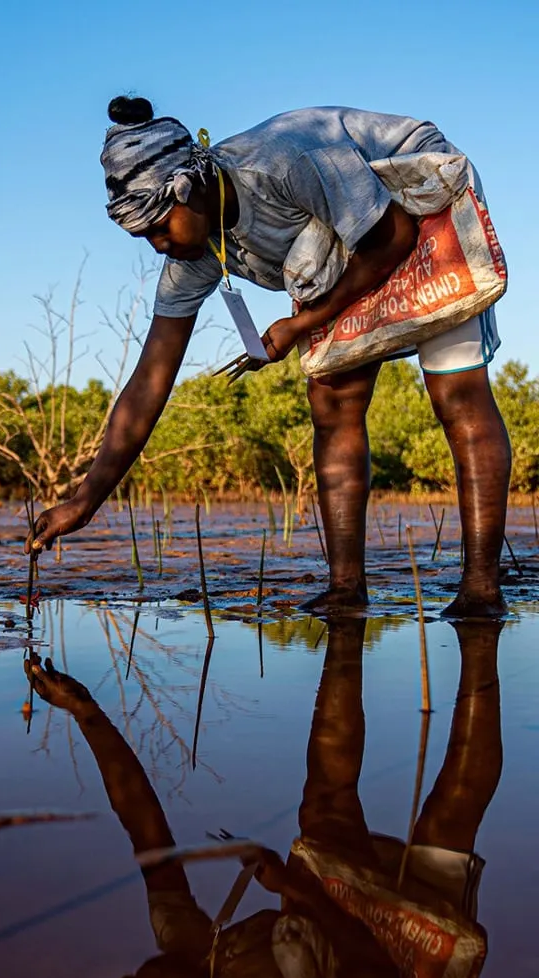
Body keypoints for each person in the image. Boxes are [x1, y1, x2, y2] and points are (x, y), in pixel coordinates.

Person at [26, 99, 511, 618]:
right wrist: (84, 500)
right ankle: (346, 588)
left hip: (416, 198)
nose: (158, 246)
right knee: (333, 401)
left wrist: (299, 324)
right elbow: (149, 382)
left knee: (455, 390)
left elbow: (393, 235)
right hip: (349, 240)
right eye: (145, 237)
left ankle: (481, 587)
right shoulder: (196, 255)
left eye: (160, 228)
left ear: (188, 190)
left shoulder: (285, 160)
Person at [25, 616, 502, 978]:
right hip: (398, 971)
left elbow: (146, 831)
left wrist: (87, 714)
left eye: (140, 973)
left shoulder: (188, 965)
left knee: (324, 807)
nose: (155, 964)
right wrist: (297, 889)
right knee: (450, 815)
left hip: (336, 919)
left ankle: (346, 625)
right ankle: (483, 644)